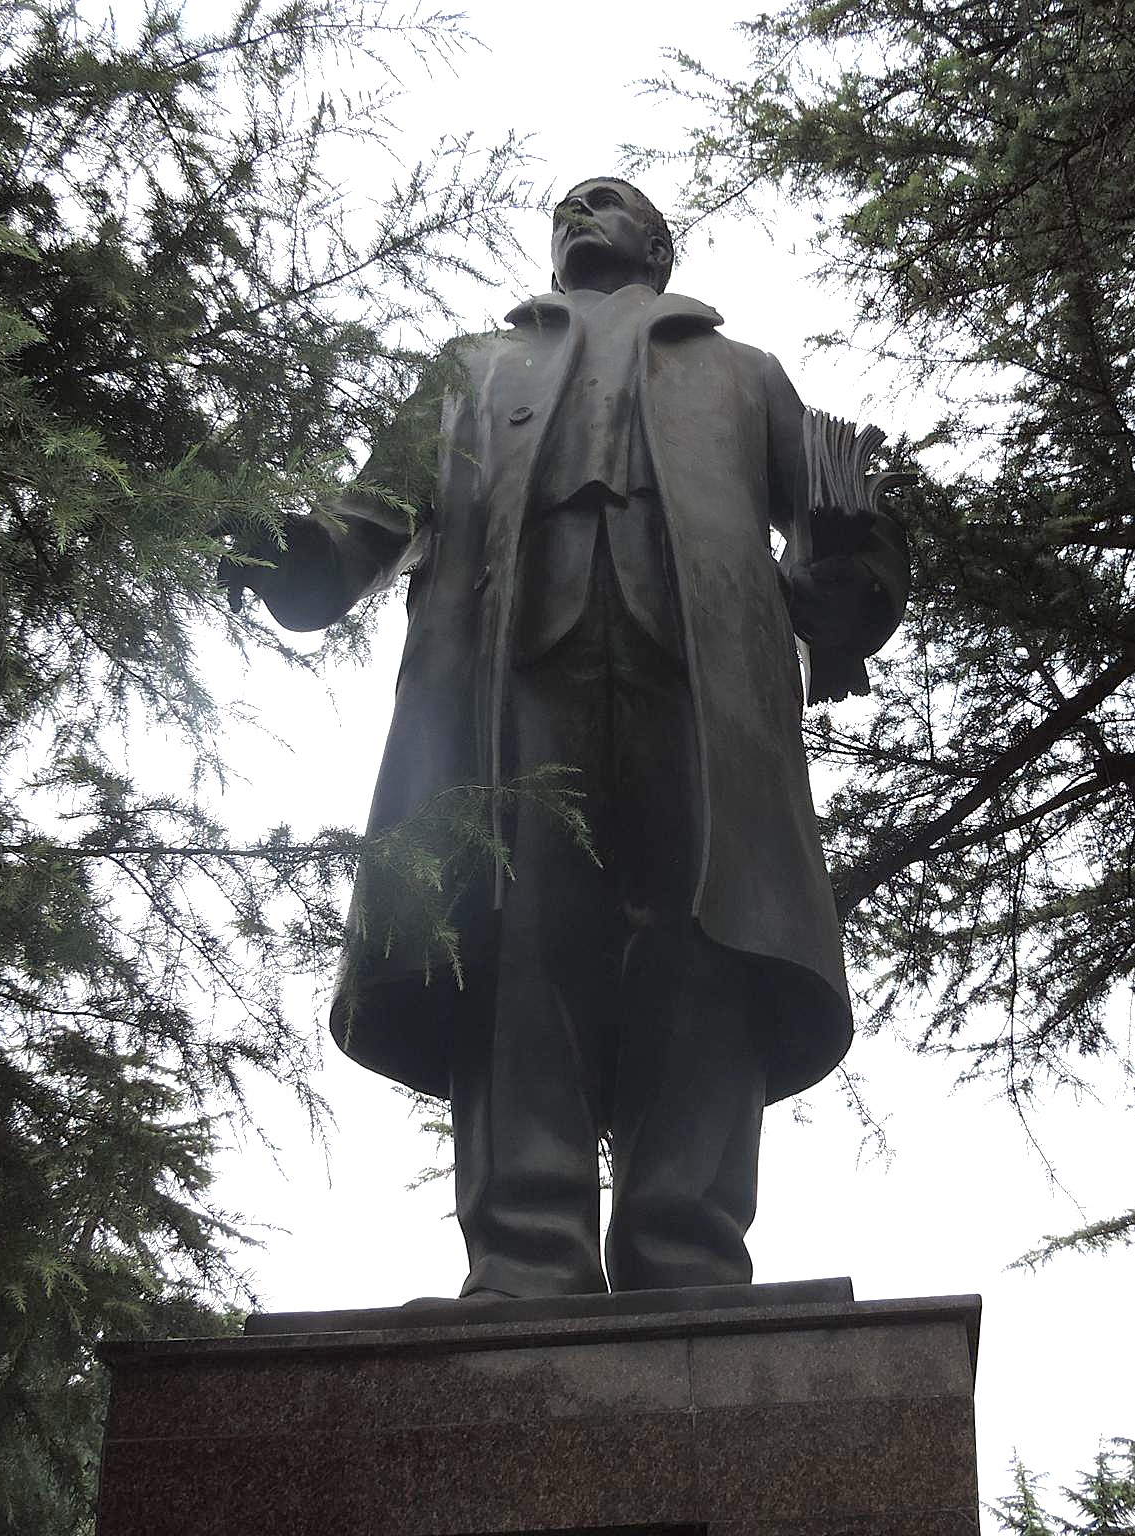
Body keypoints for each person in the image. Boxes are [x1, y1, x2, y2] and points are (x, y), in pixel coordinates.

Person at [222, 178, 908, 1298]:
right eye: (566, 208)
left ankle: (686, 1252)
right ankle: (525, 1254)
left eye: (607, 202)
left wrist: (852, 586)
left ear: (658, 246)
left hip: (701, 680)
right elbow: (369, 518)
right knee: (511, 933)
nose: (579, 212)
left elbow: (851, 534)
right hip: (505, 676)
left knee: (704, 935)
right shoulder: (469, 368)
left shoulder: (744, 374)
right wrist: (297, 558)